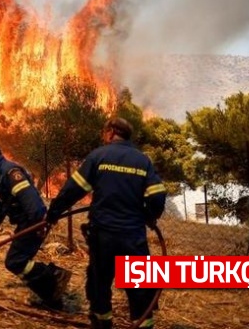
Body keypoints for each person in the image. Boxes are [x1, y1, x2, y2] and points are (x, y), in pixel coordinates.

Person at [46, 117, 166, 329]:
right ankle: (143, 324)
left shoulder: (99, 156)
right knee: (140, 287)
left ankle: (102, 323)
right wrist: (150, 215)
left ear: (111, 132)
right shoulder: (142, 160)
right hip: (133, 236)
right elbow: (157, 195)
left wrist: (54, 212)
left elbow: (73, 190)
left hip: (104, 235)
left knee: (99, 283)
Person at [0, 144, 72, 310]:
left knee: (15, 261)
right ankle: (53, 298)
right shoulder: (0, 177)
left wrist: (39, 222)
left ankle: (55, 276)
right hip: (27, 221)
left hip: (33, 221)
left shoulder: (10, 172)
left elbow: (30, 199)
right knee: (19, 262)